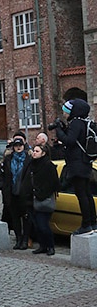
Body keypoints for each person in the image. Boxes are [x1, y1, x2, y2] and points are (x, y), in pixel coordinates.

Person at [54, 99, 97, 234]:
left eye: (66, 111)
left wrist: (58, 130)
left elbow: (70, 141)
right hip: (85, 163)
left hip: (77, 164)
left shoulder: (76, 123)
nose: (65, 114)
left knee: (81, 194)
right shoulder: (85, 122)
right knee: (87, 193)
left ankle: (86, 224)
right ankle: (93, 223)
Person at [22, 143, 60, 256]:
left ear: (43, 153)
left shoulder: (48, 165)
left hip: (44, 199)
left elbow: (55, 184)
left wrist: (41, 193)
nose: (34, 153)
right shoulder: (32, 164)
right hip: (32, 199)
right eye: (34, 150)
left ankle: (50, 246)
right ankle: (43, 246)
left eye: (37, 151)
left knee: (43, 225)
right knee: (37, 225)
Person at [0, 137, 32, 249]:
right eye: (16, 145)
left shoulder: (29, 159)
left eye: (20, 145)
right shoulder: (8, 159)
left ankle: (25, 239)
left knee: (26, 218)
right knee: (15, 217)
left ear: (24, 146)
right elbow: (3, 175)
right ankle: (18, 239)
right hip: (11, 192)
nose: (18, 147)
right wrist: (3, 187)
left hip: (25, 193)